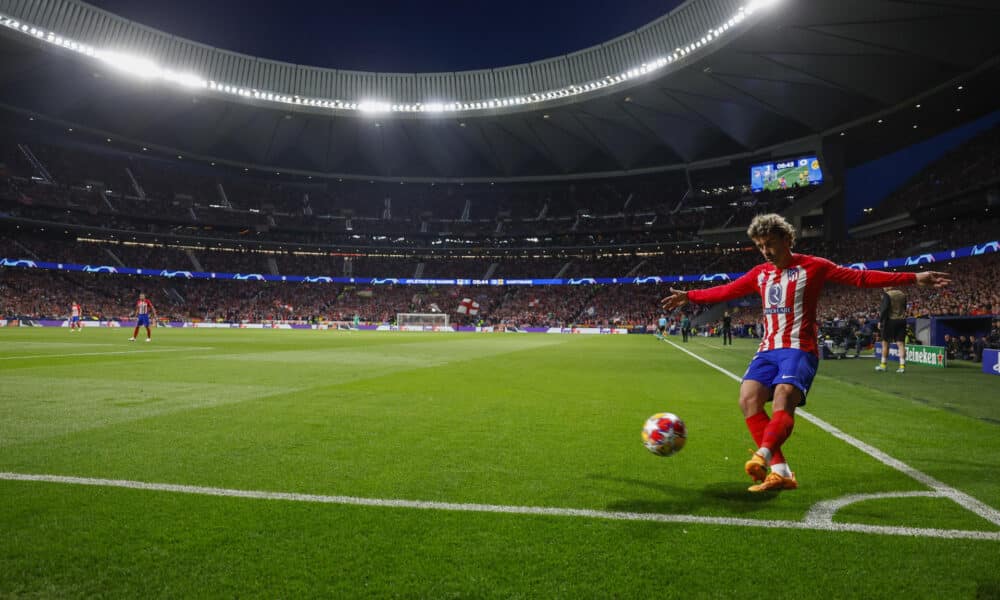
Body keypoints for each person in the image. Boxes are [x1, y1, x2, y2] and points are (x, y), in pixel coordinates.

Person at [661, 214, 949, 493]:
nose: (765, 251)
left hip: (799, 347)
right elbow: (726, 291)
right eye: (760, 246)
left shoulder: (814, 266)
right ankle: (781, 473)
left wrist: (914, 277)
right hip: (768, 348)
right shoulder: (760, 274)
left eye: (770, 243)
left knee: (785, 395)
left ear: (787, 239)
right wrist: (690, 296)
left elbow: (860, 278)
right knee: (748, 399)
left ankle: (763, 455)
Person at [876, 287, 907, 373]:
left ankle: (883, 365)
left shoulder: (887, 295)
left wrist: (880, 321)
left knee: (885, 343)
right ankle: (902, 366)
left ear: (889, 286)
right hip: (902, 320)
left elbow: (884, 309)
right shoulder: (902, 293)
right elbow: (905, 307)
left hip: (890, 321)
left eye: (885, 286)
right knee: (901, 344)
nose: (883, 288)